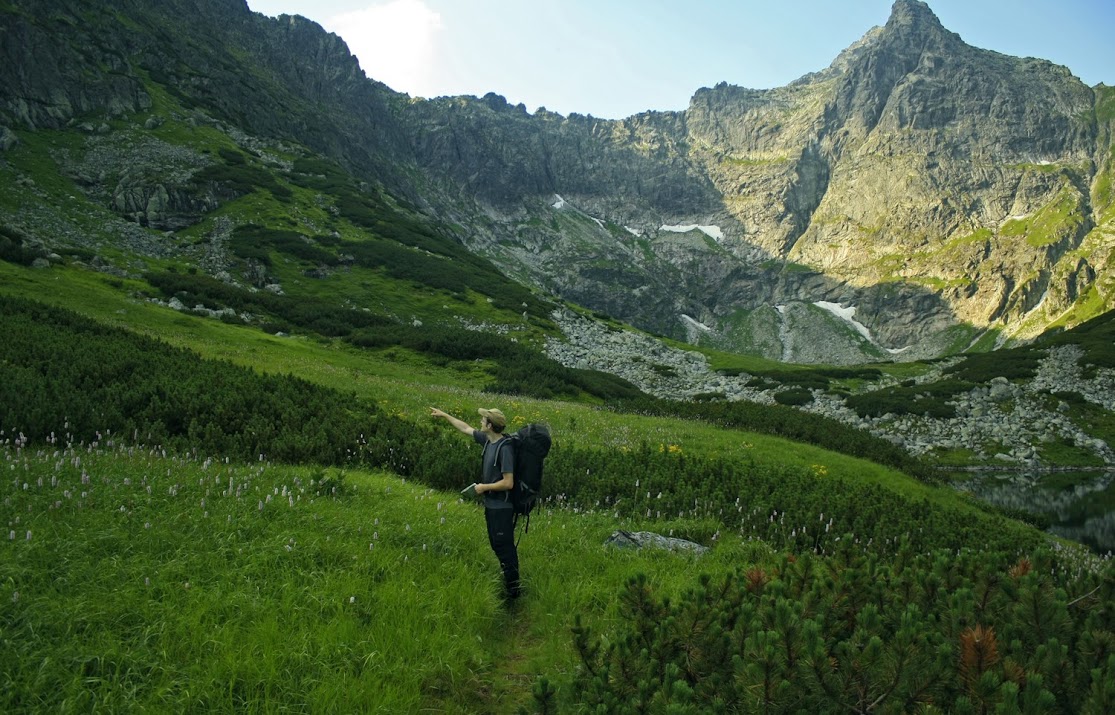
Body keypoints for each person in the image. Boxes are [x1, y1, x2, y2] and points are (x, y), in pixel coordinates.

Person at [430, 406, 521, 601]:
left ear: (490, 425)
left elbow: (508, 482)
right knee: (497, 545)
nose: (480, 423)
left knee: (504, 547)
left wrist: (483, 487)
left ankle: (514, 593)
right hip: (491, 505)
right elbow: (465, 428)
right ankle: (510, 583)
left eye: (483, 420)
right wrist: (445, 415)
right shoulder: (488, 441)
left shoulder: (505, 449)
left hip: (502, 507)